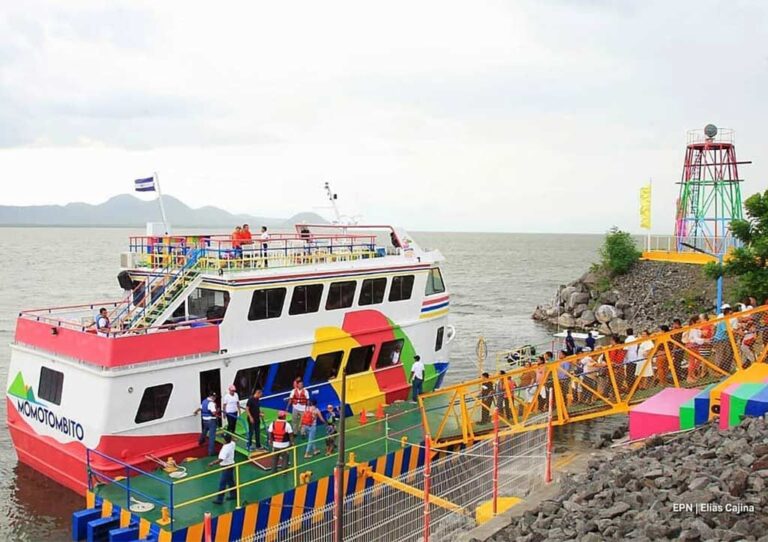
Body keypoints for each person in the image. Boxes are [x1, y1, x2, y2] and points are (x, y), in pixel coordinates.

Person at [209, 433, 236, 504]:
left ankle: (219, 499)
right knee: (231, 482)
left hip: (226, 467)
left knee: (222, 483)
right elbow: (234, 440)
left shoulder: (225, 449)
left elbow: (221, 459)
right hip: (231, 465)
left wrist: (212, 463)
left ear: (225, 440)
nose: (222, 439)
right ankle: (234, 495)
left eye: (223, 438)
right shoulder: (232, 444)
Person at [194, 391, 219, 456]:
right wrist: (217, 412)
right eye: (215, 397)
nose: (215, 398)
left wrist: (195, 412)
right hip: (211, 420)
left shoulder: (204, 401)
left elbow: (200, 408)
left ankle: (201, 441)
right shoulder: (211, 403)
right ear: (213, 397)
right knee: (212, 436)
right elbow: (213, 413)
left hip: (205, 420)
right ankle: (211, 452)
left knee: (205, 431)